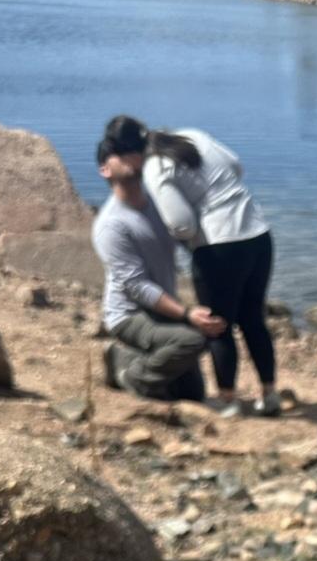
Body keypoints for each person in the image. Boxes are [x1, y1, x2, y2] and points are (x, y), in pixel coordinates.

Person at [103, 115, 280, 417]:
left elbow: (182, 224)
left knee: (217, 326)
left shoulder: (155, 166)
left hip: (219, 246)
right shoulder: (190, 135)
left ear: (129, 152)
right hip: (258, 233)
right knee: (253, 319)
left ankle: (227, 400)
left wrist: (187, 235)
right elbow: (236, 165)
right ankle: (269, 394)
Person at [91, 124, 225, 401]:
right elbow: (137, 287)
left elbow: (189, 238)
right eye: (119, 153)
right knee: (192, 339)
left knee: (192, 396)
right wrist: (187, 314)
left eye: (133, 150)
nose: (130, 155)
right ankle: (129, 373)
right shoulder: (111, 225)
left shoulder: (159, 205)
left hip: (160, 310)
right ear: (105, 170)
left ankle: (136, 357)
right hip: (129, 314)